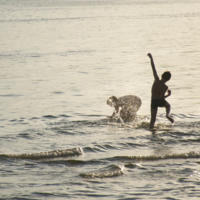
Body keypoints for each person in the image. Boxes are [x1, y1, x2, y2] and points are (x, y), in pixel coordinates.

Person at [147, 53, 174, 129]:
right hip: (159, 101)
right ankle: (167, 115)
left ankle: (152, 132)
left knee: (153, 120)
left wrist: (151, 58)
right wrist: (168, 95)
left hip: (153, 101)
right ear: (168, 79)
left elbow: (153, 68)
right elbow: (161, 98)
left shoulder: (156, 80)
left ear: (162, 75)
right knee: (168, 106)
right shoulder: (165, 87)